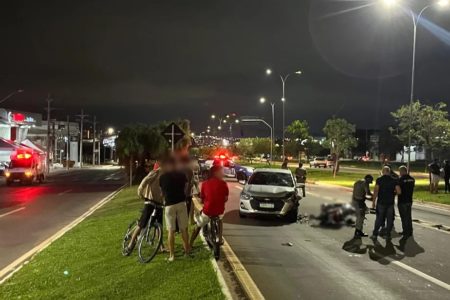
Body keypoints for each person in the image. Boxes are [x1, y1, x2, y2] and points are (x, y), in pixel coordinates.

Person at [124, 163, 164, 255]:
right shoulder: (156, 172)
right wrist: (140, 193)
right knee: (142, 224)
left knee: (159, 226)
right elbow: (144, 181)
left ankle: (161, 246)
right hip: (150, 201)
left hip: (160, 203)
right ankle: (130, 245)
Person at [159, 157, 191, 262]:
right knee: (184, 229)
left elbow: (162, 193)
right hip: (181, 203)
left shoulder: (162, 177)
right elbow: (186, 187)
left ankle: (172, 255)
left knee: (170, 231)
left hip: (169, 205)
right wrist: (184, 195)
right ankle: (187, 252)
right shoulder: (181, 175)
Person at [190, 165, 229, 246]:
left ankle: (190, 244)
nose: (222, 173)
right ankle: (220, 238)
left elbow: (202, 199)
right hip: (219, 210)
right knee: (220, 219)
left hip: (208, 211)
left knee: (198, 225)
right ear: (216, 173)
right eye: (221, 172)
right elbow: (226, 198)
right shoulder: (223, 183)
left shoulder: (204, 184)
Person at [371, 166, 401, 241]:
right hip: (390, 203)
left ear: (383, 171)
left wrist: (373, 202)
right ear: (389, 172)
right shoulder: (394, 180)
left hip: (381, 202)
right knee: (390, 219)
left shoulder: (379, 180)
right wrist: (394, 193)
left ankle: (375, 234)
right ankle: (388, 235)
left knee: (379, 219)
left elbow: (376, 191)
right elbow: (399, 192)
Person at [397, 166, 415, 239]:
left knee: (404, 217)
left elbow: (398, 190)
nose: (399, 173)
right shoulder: (412, 179)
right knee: (408, 216)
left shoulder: (400, 180)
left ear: (402, 171)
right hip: (409, 200)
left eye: (400, 171)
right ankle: (410, 231)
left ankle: (405, 232)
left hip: (402, 200)